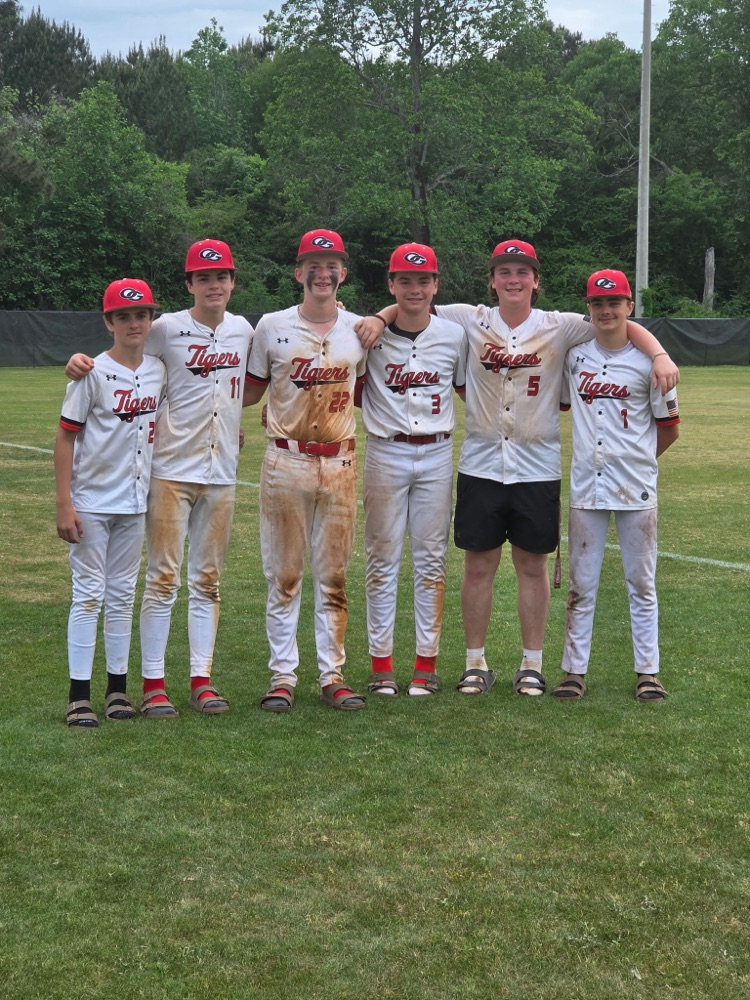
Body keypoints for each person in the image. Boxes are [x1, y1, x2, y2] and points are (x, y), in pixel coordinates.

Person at [357, 239, 679, 697]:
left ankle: (532, 663)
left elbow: (620, 326)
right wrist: (378, 316)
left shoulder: (562, 326)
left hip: (537, 465)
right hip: (482, 462)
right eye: (504, 272)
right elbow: (413, 304)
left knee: (533, 567)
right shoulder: (469, 318)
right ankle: (475, 662)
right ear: (492, 280)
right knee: (478, 566)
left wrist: (660, 353)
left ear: (535, 281)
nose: (513, 279)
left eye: (522, 272)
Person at [64, 240, 253, 718]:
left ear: (232, 282)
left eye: (221, 276)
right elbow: (115, 357)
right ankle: (152, 685)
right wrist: (77, 361)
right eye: (203, 277)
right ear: (188, 284)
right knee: (162, 579)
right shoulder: (166, 327)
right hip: (168, 472)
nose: (214, 284)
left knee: (208, 581)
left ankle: (201, 681)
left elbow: (235, 388)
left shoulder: (244, 330)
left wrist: (230, 423)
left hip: (222, 471)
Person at [243, 229, 367, 712]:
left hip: (339, 462)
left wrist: (384, 316)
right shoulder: (271, 327)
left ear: (343, 273)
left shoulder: (360, 329)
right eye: (313, 264)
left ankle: (332, 673)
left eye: (332, 263)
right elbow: (248, 389)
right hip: (285, 459)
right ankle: (282, 676)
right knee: (285, 574)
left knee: (333, 575)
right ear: (298, 274)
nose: (323, 271)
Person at [554, 269, 680, 701]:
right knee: (580, 584)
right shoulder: (575, 356)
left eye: (614, 303)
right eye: (597, 303)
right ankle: (574, 671)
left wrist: (639, 463)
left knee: (641, 584)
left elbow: (670, 429)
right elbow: (562, 403)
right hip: (587, 486)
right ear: (588, 308)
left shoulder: (650, 363)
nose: (606, 310)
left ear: (629, 306)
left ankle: (648, 671)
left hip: (636, 488)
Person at [56, 279, 166, 728]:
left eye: (141, 314)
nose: (134, 322)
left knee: (122, 597)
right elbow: (66, 437)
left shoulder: (160, 369)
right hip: (92, 500)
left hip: (135, 502)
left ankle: (117, 691)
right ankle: (78, 696)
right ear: (109, 322)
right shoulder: (91, 372)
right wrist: (64, 502)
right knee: (88, 596)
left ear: (151, 318)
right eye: (123, 316)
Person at [357, 243, 465, 697]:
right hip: (386, 451)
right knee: (382, 559)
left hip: (438, 452)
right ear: (391, 284)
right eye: (405, 280)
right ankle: (382, 665)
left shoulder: (454, 335)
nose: (414, 288)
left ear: (436, 285)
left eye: (423, 280)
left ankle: (426, 664)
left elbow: (468, 389)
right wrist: (380, 319)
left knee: (431, 560)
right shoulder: (367, 334)